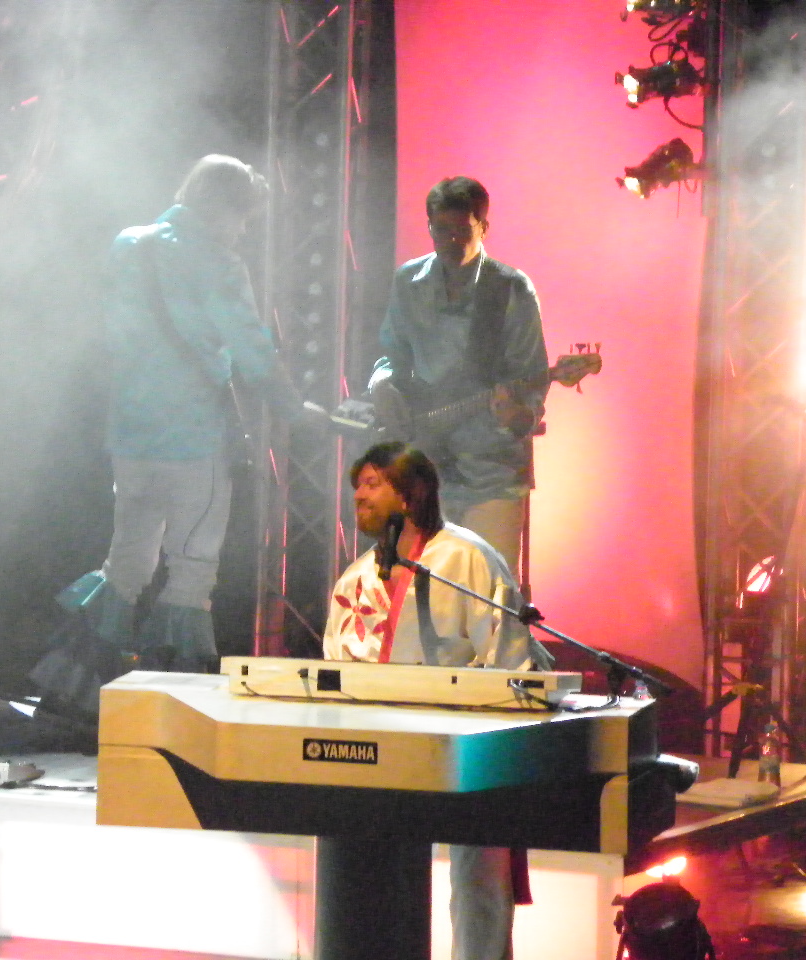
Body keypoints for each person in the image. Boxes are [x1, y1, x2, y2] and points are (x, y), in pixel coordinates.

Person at [76, 154, 312, 672]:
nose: (242, 231)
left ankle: (85, 682)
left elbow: (110, 335)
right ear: (222, 208)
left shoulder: (129, 244)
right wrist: (292, 407)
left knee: (126, 561)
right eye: (242, 217)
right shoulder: (219, 263)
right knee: (192, 567)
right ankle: (171, 685)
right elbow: (250, 348)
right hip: (192, 438)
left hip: (130, 436)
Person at [322, 440, 552, 960]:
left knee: (478, 882)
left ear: (411, 493)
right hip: (381, 754)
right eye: (356, 485)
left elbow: (511, 659)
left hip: (469, 750)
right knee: (376, 880)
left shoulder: (465, 559)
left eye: (373, 483)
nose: (358, 496)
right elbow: (337, 669)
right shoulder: (356, 579)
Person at [370, 176, 548, 573]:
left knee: (489, 591)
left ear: (484, 227)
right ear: (429, 226)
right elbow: (392, 353)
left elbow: (532, 374)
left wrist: (517, 415)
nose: (451, 241)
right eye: (441, 230)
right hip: (425, 466)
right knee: (421, 590)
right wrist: (381, 383)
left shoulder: (512, 289)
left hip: (491, 469)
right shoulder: (408, 282)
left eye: (462, 231)